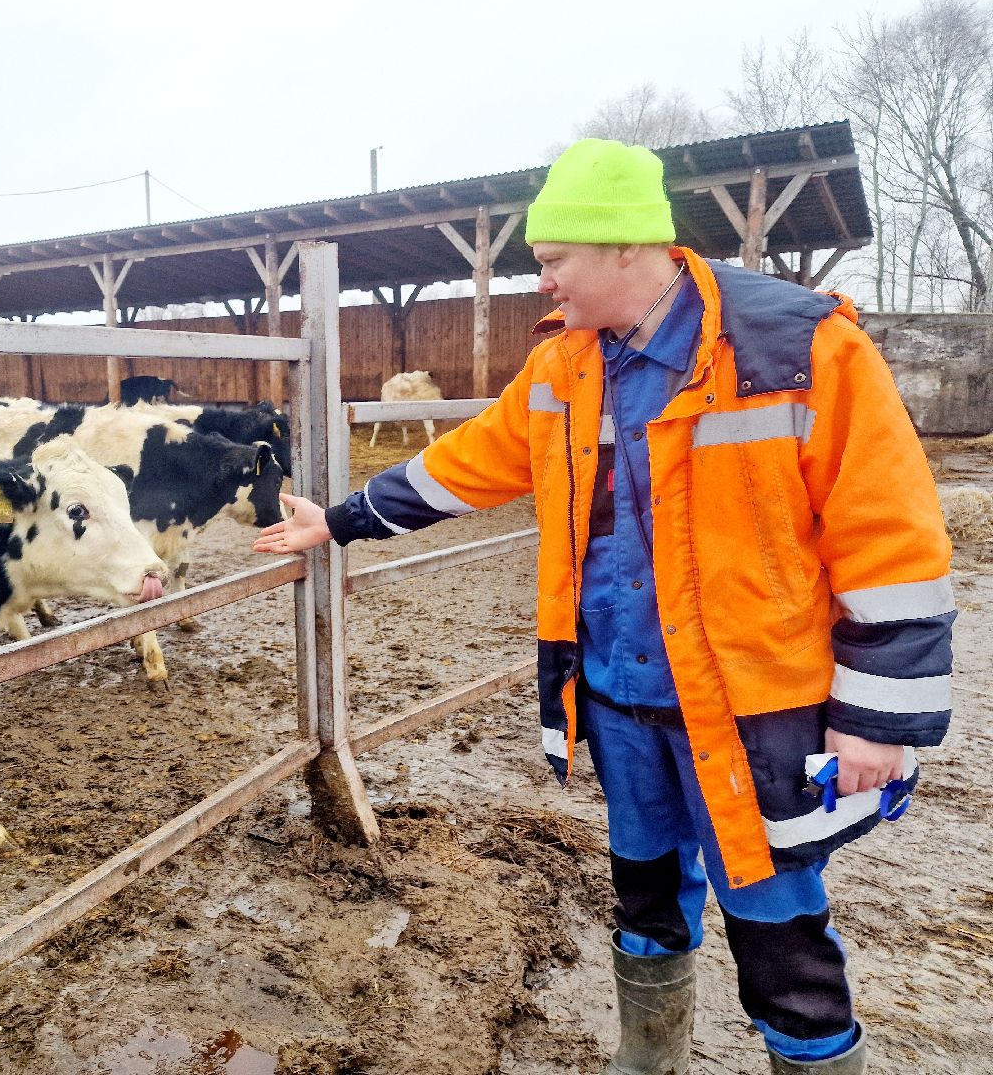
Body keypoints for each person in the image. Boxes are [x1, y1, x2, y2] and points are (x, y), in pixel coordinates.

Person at [253, 138, 954, 1074]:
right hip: (622, 697)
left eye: (552, 261)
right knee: (646, 898)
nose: (544, 284)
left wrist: (875, 720)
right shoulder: (565, 368)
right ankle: (647, 1060)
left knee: (778, 927)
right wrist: (336, 523)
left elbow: (892, 537)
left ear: (626, 247)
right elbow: (469, 464)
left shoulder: (799, 346)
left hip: (755, 708)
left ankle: (813, 1055)